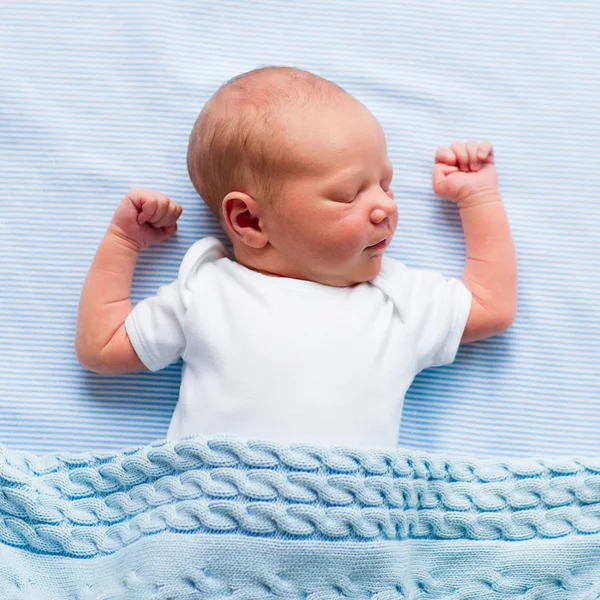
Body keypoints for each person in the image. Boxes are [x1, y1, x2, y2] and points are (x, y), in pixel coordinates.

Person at [75, 66, 517, 449]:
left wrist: (478, 201)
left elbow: (490, 306)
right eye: (349, 195)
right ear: (249, 220)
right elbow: (102, 348)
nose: (386, 207)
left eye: (385, 184)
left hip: (350, 534)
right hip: (212, 524)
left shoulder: (397, 301)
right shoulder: (208, 290)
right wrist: (123, 243)